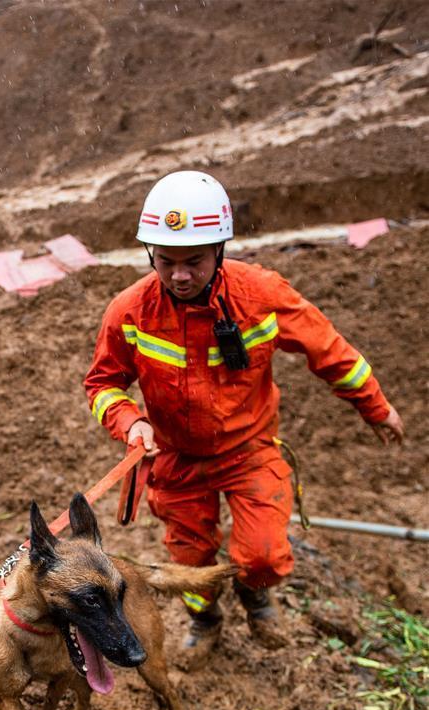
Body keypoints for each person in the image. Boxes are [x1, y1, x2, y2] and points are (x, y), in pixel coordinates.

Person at [84, 171, 403, 668]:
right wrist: (131, 423)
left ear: (220, 249)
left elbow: (329, 350)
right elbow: (102, 384)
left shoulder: (261, 296)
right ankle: (205, 620)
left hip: (248, 450)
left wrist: (375, 406)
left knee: (263, 555)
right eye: (166, 262)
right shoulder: (129, 311)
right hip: (176, 458)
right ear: (151, 255)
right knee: (189, 561)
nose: (180, 275)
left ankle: (256, 595)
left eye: (194, 261)